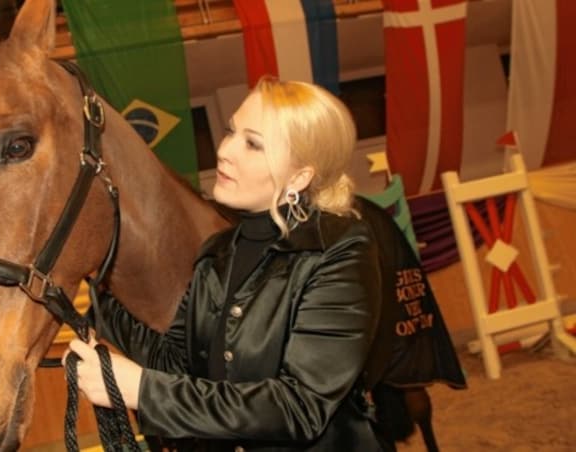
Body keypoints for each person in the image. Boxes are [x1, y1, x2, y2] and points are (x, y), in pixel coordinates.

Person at [65, 77, 391, 451]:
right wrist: (99, 283)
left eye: (253, 144)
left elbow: (300, 407)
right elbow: (177, 365)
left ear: (299, 177)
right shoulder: (217, 252)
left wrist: (142, 390)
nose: (225, 151)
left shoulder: (339, 249)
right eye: (231, 132)